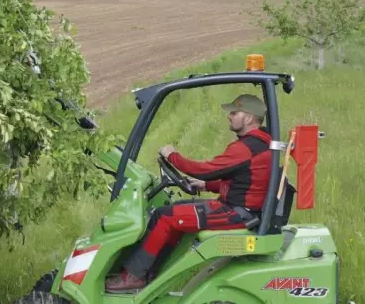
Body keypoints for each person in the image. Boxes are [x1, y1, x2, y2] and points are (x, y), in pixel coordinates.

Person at [105, 94, 272, 292]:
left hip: (236, 214)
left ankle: (134, 276)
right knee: (170, 211)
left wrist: (172, 156)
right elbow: (246, 182)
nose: (229, 116)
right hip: (240, 208)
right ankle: (150, 271)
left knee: (166, 217)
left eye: (234, 113)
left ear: (249, 118)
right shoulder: (260, 144)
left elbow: (206, 169)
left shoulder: (246, 148)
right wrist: (206, 186)